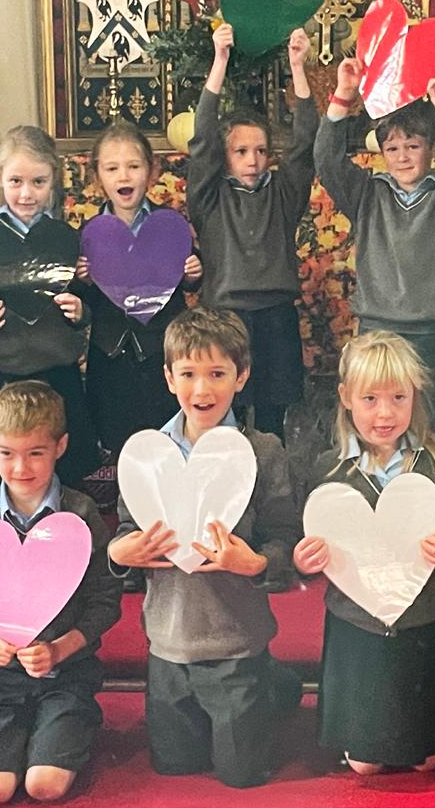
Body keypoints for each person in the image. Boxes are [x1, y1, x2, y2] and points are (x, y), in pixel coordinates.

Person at [107, 306, 301, 788]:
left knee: (242, 776)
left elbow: (285, 536)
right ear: (169, 377)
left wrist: (256, 562)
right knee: (175, 765)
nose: (202, 389)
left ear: (242, 376)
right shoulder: (147, 454)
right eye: (189, 374)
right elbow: (127, 529)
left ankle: (273, 685)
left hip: (237, 640)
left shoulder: (263, 451)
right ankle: (272, 685)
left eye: (217, 374)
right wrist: (120, 554)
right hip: (168, 642)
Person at [293, 330, 435, 775]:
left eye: (398, 398)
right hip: (358, 622)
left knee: (427, 761)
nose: (385, 413)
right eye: (370, 399)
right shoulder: (329, 470)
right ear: (346, 398)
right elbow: (309, 538)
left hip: (422, 619)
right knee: (365, 765)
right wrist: (303, 562)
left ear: (414, 397)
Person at [0, 381, 123, 803]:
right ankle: (23, 736)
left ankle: (71, 723)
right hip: (0, 678)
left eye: (35, 453)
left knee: (45, 785)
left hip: (67, 675)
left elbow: (105, 601)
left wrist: (59, 649)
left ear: (61, 446)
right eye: (7, 453)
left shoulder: (81, 514)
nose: (20, 468)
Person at [314, 65, 435, 440]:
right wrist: (344, 92)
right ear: (381, 152)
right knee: (379, 430)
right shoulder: (367, 196)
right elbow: (327, 160)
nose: (402, 157)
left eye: (413, 146)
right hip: (378, 334)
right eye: (392, 149)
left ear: (434, 149)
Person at [187, 23, 317, 441]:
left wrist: (298, 68)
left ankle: (272, 476)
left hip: (276, 317)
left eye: (261, 151)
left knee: (272, 422)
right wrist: (219, 61)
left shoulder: (283, 194)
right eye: (241, 151)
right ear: (224, 156)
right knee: (226, 417)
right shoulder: (209, 198)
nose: (253, 160)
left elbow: (306, 144)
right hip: (225, 318)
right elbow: (202, 138)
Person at [0, 125, 96, 488]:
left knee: (67, 457)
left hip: (58, 369)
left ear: (53, 180)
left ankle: (69, 518)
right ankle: (0, 519)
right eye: (15, 181)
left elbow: (88, 304)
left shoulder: (66, 240)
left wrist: (81, 312)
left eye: (38, 182)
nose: (27, 193)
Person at [80, 121, 203, 459]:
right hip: (109, 353)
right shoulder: (89, 232)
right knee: (117, 437)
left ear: (151, 171)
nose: (124, 176)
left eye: (133, 166)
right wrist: (83, 281)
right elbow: (82, 300)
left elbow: (189, 273)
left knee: (165, 434)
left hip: (161, 349)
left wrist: (193, 273)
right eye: (112, 168)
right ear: (97, 176)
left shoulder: (170, 224)